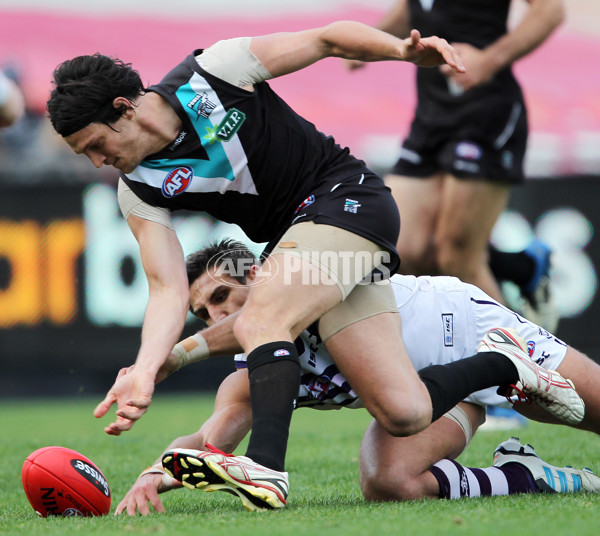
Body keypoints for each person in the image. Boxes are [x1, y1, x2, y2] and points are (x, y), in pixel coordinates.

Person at [47, 21, 475, 509]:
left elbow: (327, 39)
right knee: (405, 411)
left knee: (260, 318)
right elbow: (166, 289)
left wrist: (401, 50)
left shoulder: (214, 72)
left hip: (347, 198)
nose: (98, 162)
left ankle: (267, 469)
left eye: (96, 145)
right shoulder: (136, 188)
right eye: (86, 157)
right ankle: (504, 365)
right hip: (301, 241)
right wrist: (144, 371)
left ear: (124, 109)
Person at [113, 239, 600, 515]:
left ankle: (510, 366)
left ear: (260, 276)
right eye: (203, 311)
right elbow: (208, 440)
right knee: (388, 481)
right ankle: (525, 475)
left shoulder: (307, 280)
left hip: (474, 329)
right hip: (429, 393)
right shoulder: (253, 373)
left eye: (222, 295)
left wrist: (168, 357)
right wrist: (156, 475)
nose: (216, 315)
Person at [345, 0, 564, 331]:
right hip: (431, 116)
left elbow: (551, 10)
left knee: (457, 256)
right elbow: (415, 8)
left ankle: (527, 364)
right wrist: (371, 40)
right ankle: (521, 267)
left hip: (486, 112)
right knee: (402, 251)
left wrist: (489, 60)